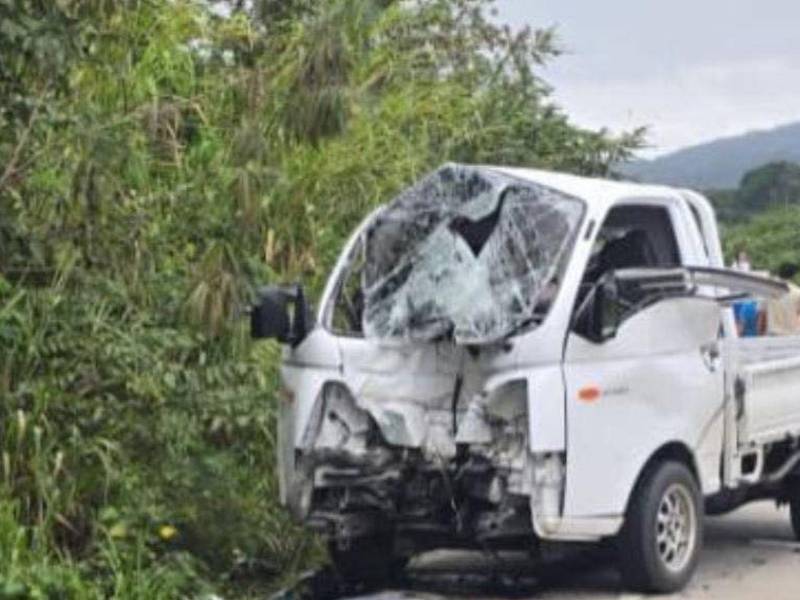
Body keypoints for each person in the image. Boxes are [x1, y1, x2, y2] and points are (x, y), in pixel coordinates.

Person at [765, 262, 800, 336]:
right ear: (793, 276)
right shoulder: (797, 292)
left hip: (772, 334)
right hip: (791, 335)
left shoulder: (767, 289)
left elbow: (761, 315)